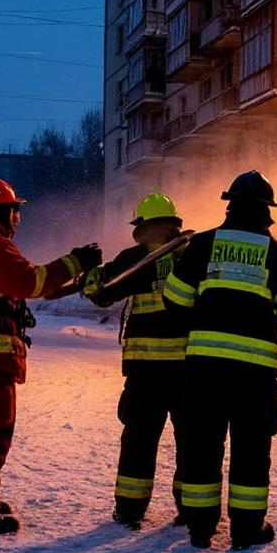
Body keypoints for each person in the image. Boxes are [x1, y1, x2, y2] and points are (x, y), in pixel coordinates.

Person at [0, 177, 101, 535]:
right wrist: (76, 261)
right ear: (3, 211)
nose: (18, 219)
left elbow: (23, 290)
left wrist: (76, 282)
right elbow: (30, 282)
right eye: (16, 211)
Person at [162, 170, 277, 551]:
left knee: (202, 445)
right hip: (255, 375)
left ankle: (200, 528)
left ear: (229, 206)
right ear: (267, 212)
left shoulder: (203, 245)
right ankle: (246, 530)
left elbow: (174, 300)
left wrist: (199, 324)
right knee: (251, 449)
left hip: (203, 370)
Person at [82, 191, 189, 529]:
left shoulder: (136, 258)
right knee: (193, 440)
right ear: (173, 223)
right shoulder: (195, 256)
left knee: (139, 441)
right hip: (191, 367)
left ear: (143, 226)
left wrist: (89, 274)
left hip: (147, 370)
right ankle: (192, 509)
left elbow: (100, 293)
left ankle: (129, 509)